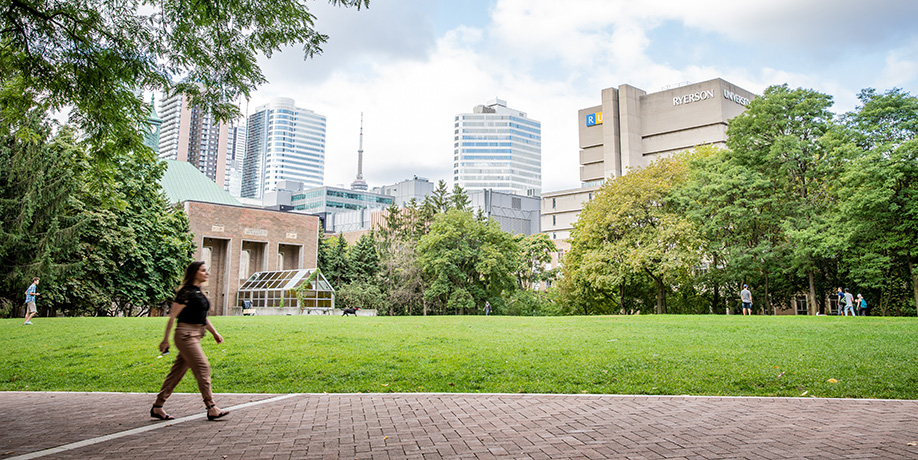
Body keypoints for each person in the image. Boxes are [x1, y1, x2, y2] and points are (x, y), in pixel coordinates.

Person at [151, 262, 229, 421]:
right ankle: (211, 407)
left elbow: (203, 317)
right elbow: (173, 316)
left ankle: (158, 406)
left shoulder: (198, 292)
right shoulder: (185, 292)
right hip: (185, 335)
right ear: (194, 273)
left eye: (206, 270)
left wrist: (214, 333)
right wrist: (165, 340)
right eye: (203, 270)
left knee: (177, 373)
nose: (206, 273)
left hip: (196, 334)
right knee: (203, 367)